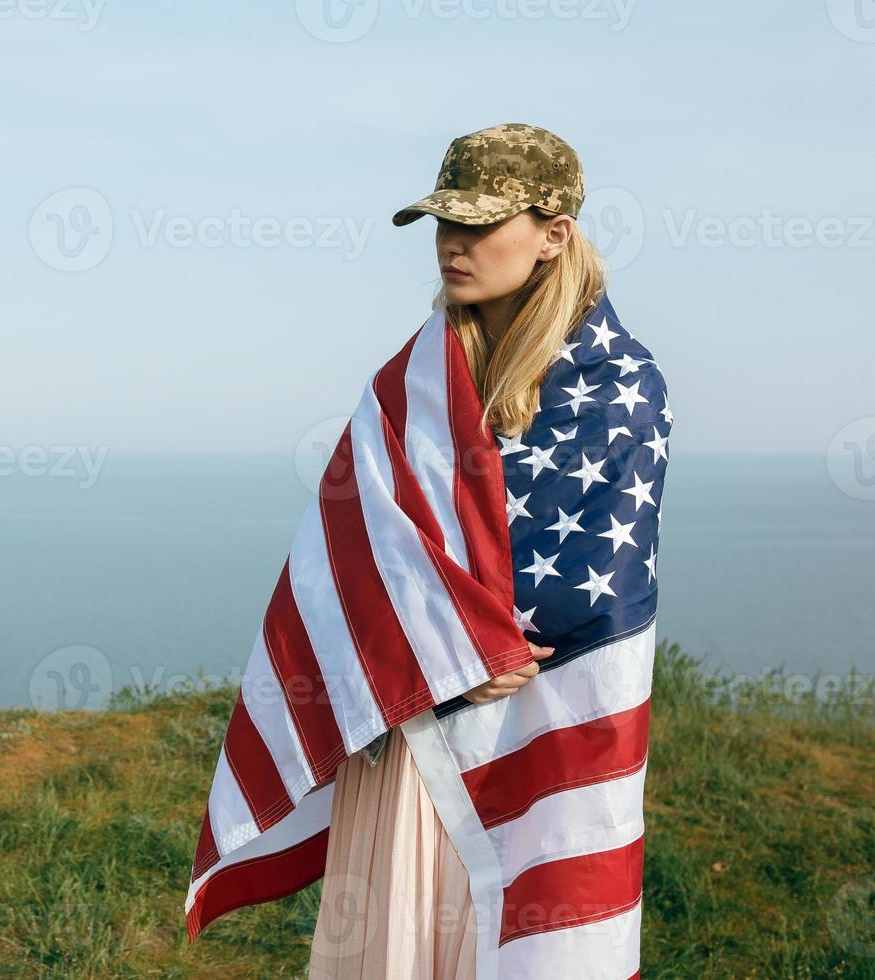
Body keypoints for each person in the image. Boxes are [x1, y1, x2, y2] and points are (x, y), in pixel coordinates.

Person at [307, 123, 661, 979]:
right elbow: (354, 538)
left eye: (480, 223)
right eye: (443, 223)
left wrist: (472, 645)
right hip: (418, 711)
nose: (453, 245)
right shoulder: (413, 380)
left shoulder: (621, 385)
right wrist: (441, 649)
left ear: (555, 234)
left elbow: (592, 581)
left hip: (535, 718)